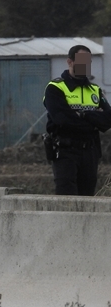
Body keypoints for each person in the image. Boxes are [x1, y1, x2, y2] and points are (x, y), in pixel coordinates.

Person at [43, 45, 111, 196]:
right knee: (66, 197)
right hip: (65, 151)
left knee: (87, 198)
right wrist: (94, 121)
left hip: (90, 152)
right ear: (69, 62)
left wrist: (84, 114)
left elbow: (108, 120)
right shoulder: (55, 88)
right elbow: (62, 120)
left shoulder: (95, 89)